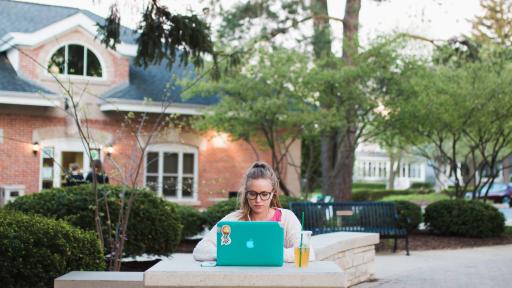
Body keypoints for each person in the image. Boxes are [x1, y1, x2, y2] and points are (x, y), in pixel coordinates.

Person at [192, 161, 315, 263]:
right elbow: (200, 250)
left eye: (264, 194)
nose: (258, 200)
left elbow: (308, 253)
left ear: (273, 194)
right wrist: (229, 253)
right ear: (246, 194)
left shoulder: (287, 217)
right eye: (252, 194)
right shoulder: (234, 219)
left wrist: (266, 253)